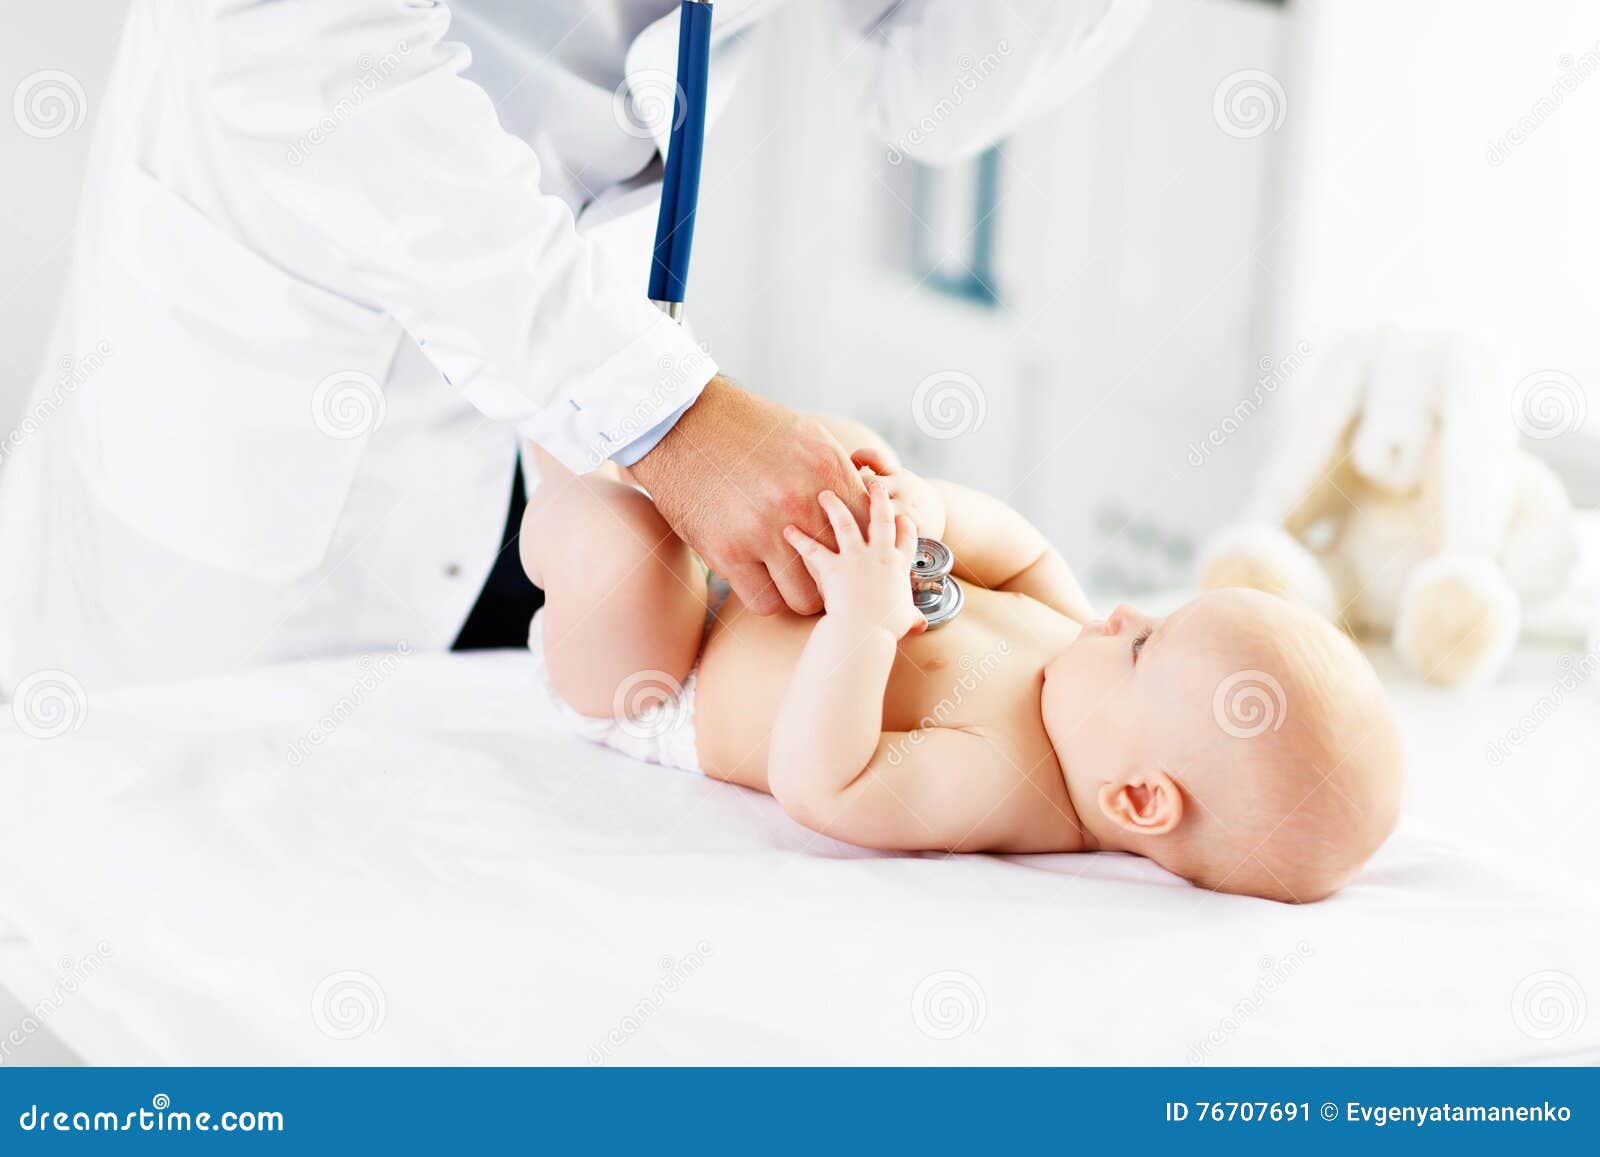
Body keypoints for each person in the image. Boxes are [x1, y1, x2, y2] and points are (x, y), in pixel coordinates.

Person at [0, 0, 1149, 694]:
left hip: (585, 418)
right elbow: (296, 46)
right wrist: (663, 415)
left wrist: (645, 409)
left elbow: (931, 92)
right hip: (303, 366)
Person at [520, 426, 1404, 903]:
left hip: (668, 677)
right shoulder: (1077, 648)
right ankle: (594, 417)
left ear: (1138, 798)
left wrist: (865, 622)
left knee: (615, 539)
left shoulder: (1008, 780)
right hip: (743, 581)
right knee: (838, 447)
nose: (1126, 613)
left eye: (1145, 644)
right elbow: (1015, 551)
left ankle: (553, 461)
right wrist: (928, 509)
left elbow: (824, 782)